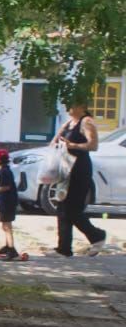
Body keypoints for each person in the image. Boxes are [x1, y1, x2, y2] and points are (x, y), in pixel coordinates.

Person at [50, 104, 106, 257]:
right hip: (65, 169)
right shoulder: (68, 123)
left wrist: (72, 145)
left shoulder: (86, 121)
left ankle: (97, 235)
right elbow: (55, 142)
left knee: (72, 210)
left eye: (72, 104)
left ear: (82, 106)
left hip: (79, 169)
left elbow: (93, 145)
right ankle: (63, 248)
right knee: (61, 208)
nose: (68, 107)